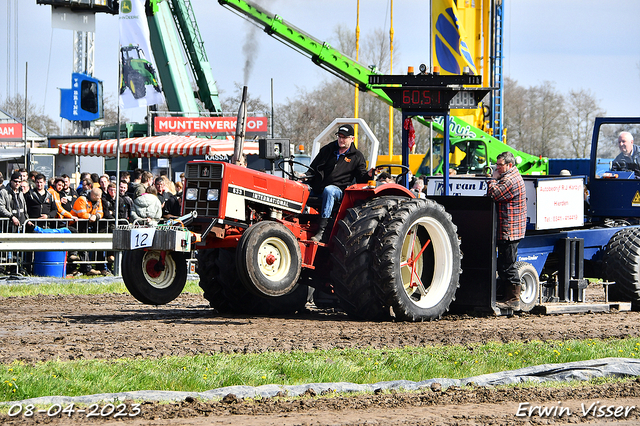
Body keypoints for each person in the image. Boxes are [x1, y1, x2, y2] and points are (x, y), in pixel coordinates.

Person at [307, 124, 373, 242]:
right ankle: (295, 219)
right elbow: (312, 168)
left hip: (339, 191)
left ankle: (322, 231)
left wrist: (368, 175)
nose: (341, 140)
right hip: (319, 188)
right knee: (301, 188)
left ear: (352, 139)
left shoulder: (357, 156)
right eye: (340, 136)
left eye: (345, 137)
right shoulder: (328, 150)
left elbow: (361, 178)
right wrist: (304, 177)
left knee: (329, 190)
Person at [487, 152, 527, 311]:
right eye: (496, 165)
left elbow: (494, 194)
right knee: (505, 264)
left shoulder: (510, 180)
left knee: (507, 265)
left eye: (500, 165)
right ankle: (507, 296)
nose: (497, 168)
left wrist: (492, 179)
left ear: (509, 165)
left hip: (510, 231)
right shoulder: (512, 177)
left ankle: (513, 299)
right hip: (509, 230)